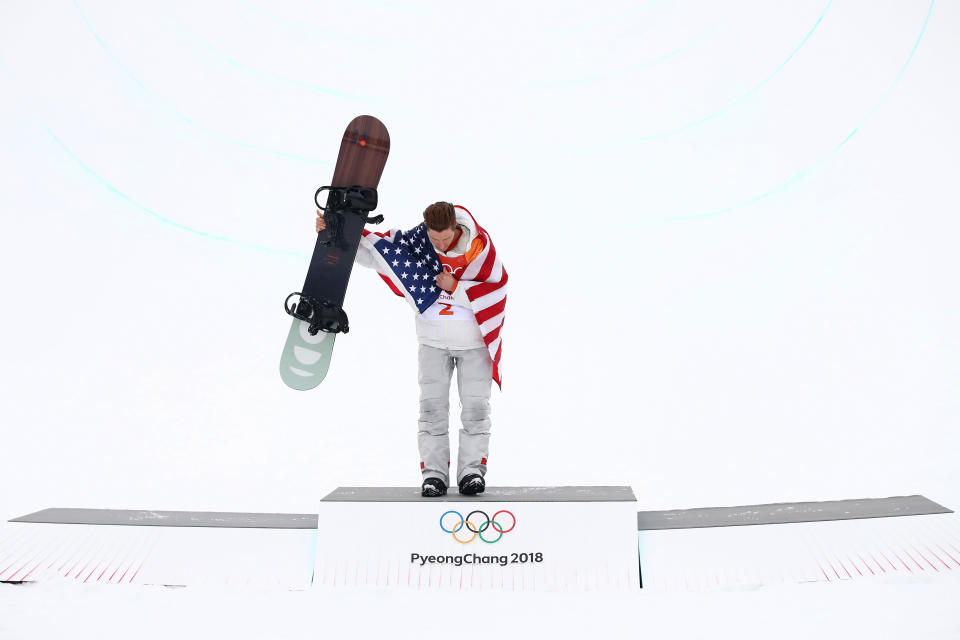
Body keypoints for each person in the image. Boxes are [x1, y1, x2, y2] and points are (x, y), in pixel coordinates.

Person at [315, 201, 507, 497]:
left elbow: (496, 291)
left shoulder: (480, 249)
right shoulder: (419, 244)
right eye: (435, 238)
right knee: (431, 411)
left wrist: (456, 287)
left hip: (473, 344)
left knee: (476, 411)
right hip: (432, 342)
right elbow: (377, 256)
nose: (441, 244)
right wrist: (333, 234)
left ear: (456, 227)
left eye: (446, 238)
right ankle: (434, 475)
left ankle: (472, 472)